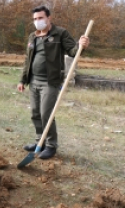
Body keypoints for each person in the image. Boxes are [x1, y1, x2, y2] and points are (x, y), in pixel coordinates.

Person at [17, 6, 90, 159]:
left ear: (49, 18)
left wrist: (81, 45)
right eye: (35, 19)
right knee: (35, 113)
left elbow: (73, 51)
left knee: (46, 113)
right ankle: (40, 142)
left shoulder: (60, 33)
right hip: (33, 81)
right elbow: (27, 60)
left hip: (50, 82)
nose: (38, 21)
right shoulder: (33, 36)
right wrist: (22, 79)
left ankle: (51, 145)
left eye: (41, 18)